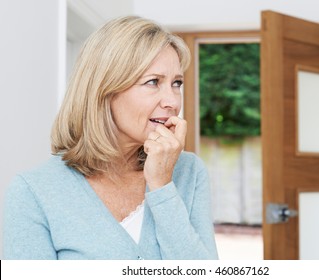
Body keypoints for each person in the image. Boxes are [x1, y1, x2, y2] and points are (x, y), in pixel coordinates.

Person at [3, 16, 218, 260]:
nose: (172, 101)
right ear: (105, 90)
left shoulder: (189, 172)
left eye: (176, 83)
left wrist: (162, 186)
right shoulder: (33, 192)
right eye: (153, 82)